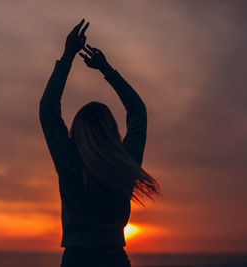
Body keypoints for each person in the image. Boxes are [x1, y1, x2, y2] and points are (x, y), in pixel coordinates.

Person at [39, 19, 161, 267]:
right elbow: (138, 111)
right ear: (112, 131)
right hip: (115, 259)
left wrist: (67, 55)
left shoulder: (69, 161)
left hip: (76, 260)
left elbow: (48, 109)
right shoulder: (124, 164)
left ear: (77, 133)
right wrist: (107, 69)